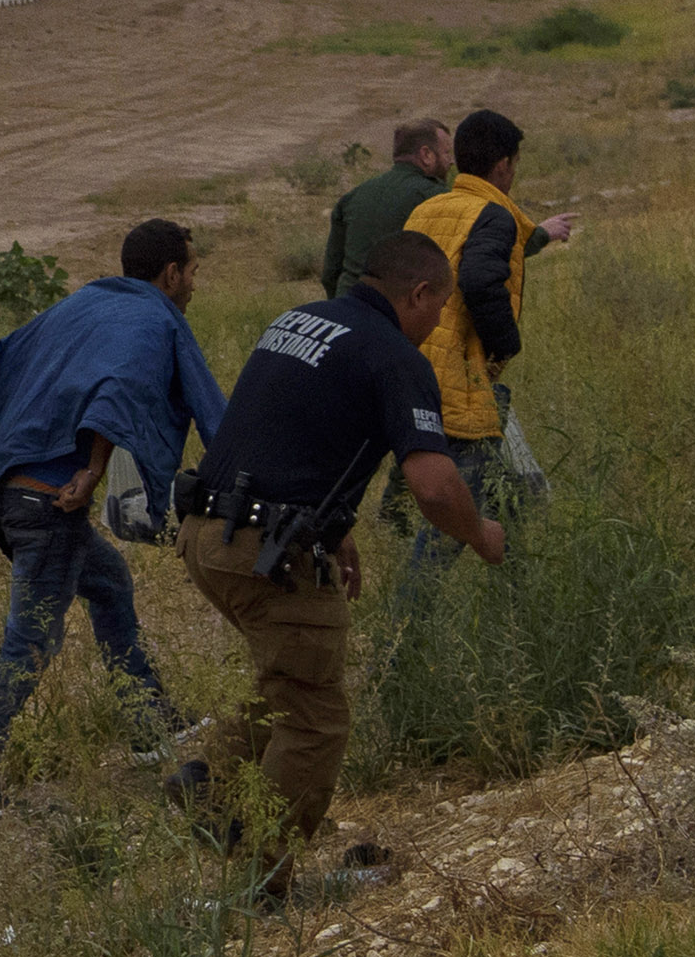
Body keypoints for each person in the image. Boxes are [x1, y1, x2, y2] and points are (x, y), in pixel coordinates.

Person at [174, 235, 505, 900]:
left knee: (289, 679)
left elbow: (297, 427)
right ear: (418, 293)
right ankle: (265, 881)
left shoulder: (301, 319)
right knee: (314, 719)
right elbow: (435, 485)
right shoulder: (395, 357)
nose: (439, 321)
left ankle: (206, 786)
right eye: (438, 307)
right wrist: (481, 535)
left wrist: (337, 528)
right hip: (268, 553)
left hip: (208, 532)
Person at [0, 221, 222, 813]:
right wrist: (92, 469)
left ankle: (148, 724)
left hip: (9, 492)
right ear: (170, 275)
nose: (193, 284)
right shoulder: (156, 320)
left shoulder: (79, 305)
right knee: (30, 643)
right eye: (192, 271)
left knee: (110, 583)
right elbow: (118, 388)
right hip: (52, 499)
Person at [402, 109, 577, 562]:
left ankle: (520, 601)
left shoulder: (427, 210)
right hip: (463, 384)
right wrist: (504, 347)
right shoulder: (493, 215)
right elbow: (480, 283)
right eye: (514, 164)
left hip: (414, 377)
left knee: (516, 495)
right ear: (503, 165)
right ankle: (408, 629)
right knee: (450, 527)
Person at [318, 115, 450, 299]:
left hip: (347, 304)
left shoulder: (354, 196)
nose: (450, 162)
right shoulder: (436, 197)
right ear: (426, 154)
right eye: (446, 153)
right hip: (396, 313)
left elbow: (331, 273)